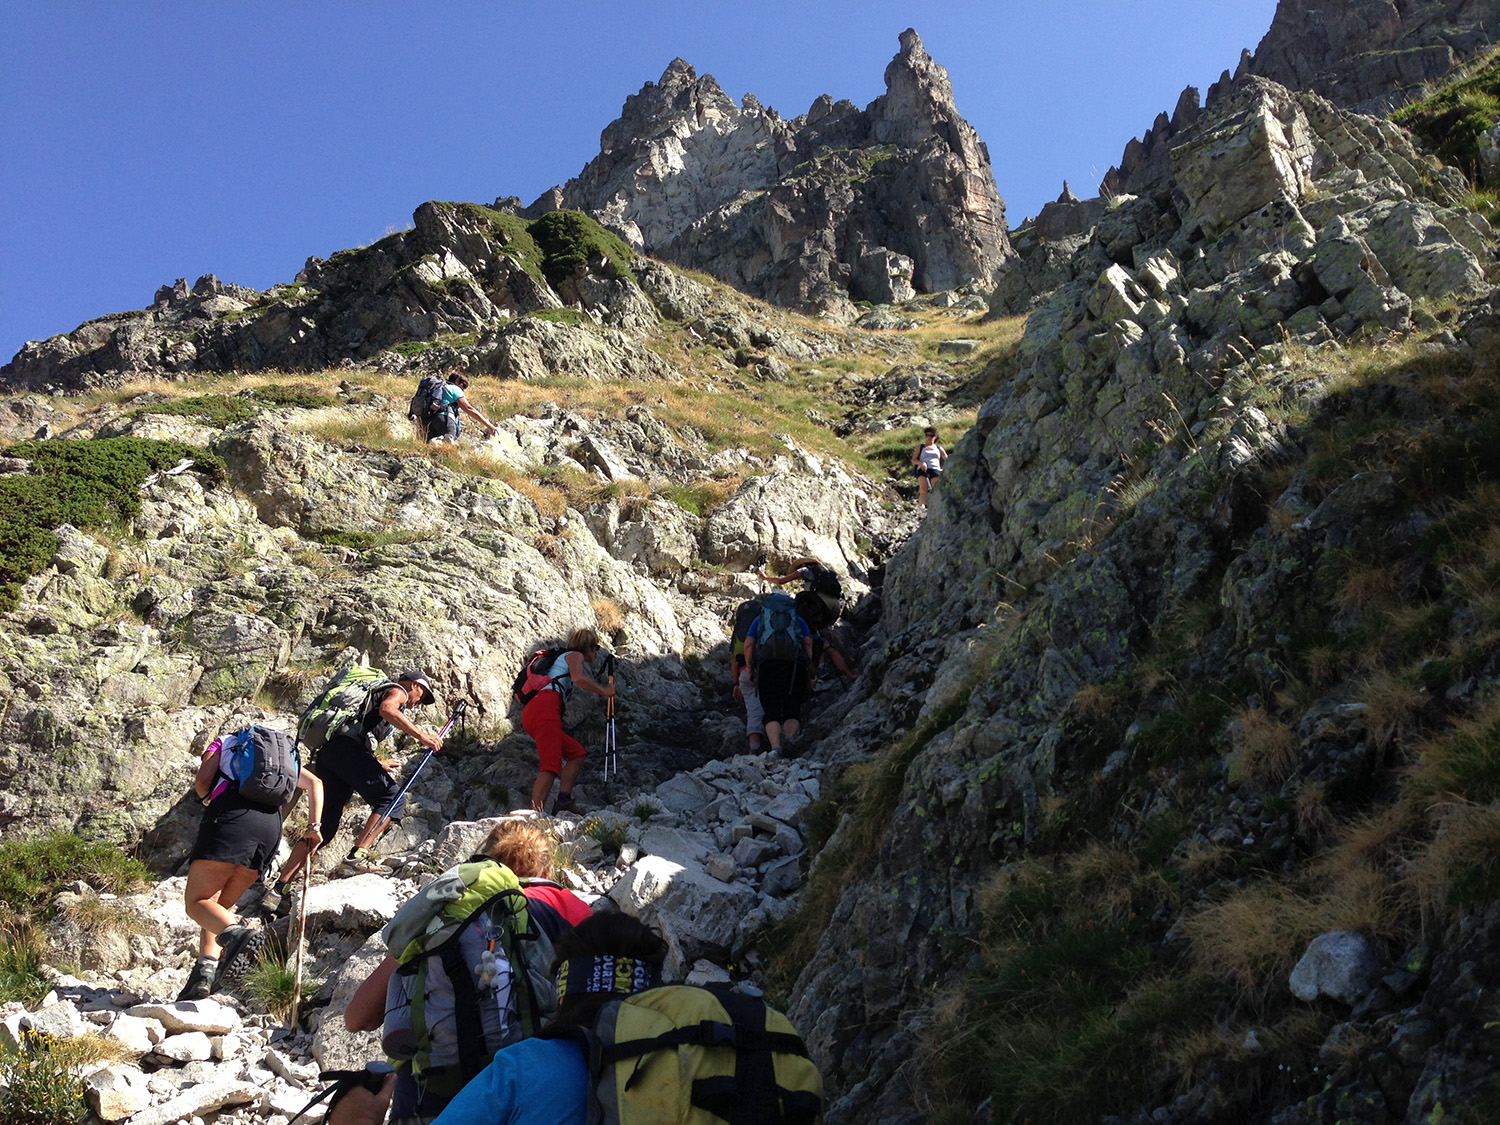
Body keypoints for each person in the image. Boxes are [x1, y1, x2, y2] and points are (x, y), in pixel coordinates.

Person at [342, 819, 591, 1125]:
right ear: (548, 871)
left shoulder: (446, 913)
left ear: (484, 861)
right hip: (525, 1100)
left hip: (426, 1102)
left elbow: (358, 1018)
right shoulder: (567, 910)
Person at [252, 671, 444, 909]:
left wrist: (374, 762)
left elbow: (355, 735)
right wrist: (423, 736)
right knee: (392, 797)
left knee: (325, 828)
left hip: (330, 753)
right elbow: (388, 709)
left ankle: (278, 890)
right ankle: (357, 856)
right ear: (415, 685)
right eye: (422, 695)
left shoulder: (373, 695)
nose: (418, 703)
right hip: (345, 751)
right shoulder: (398, 691)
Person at [178, 728, 324, 1000]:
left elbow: (203, 780)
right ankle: (203, 975)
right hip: (270, 829)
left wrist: (207, 797)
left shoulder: (226, 741)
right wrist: (314, 827)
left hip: (231, 816)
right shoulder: (284, 760)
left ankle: (238, 936)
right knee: (218, 908)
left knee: (197, 901)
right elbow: (315, 783)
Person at [520, 629, 615, 815]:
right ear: (588, 647)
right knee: (551, 765)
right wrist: (604, 691)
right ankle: (534, 816)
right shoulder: (575, 655)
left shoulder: (562, 657)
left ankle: (564, 801)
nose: (596, 652)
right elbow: (578, 678)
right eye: (595, 648)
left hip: (535, 711)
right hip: (545, 708)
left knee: (576, 753)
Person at [758, 560, 857, 685]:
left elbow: (781, 581)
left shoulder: (805, 570)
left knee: (812, 637)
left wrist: (765, 577)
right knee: (827, 640)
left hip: (820, 606)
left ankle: (819, 669)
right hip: (835, 607)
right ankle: (849, 667)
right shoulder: (826, 571)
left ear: (804, 565)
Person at [742, 602, 814, 752]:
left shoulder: (760, 619)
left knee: (771, 709)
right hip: (795, 667)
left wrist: (750, 669)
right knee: (792, 708)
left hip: (767, 666)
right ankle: (790, 739)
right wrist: (810, 669)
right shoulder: (797, 619)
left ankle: (776, 748)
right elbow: (808, 643)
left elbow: (748, 644)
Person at [420, 373, 499, 444]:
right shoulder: (455, 389)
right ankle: (435, 442)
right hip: (444, 419)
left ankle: (433, 442)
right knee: (448, 442)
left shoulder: (438, 389)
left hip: (427, 421)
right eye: (464, 385)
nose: (463, 389)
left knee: (433, 448)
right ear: (457, 381)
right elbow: (468, 408)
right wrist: (489, 425)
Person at [912, 426, 948, 508]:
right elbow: (914, 460)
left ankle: (935, 507)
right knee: (923, 489)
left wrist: (944, 468)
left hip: (935, 470)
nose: (929, 437)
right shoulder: (921, 447)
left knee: (936, 489)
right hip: (923, 469)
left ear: (935, 437)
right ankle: (921, 507)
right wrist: (921, 463)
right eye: (927, 435)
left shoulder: (939, 448)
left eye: (931, 435)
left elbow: (947, 459)